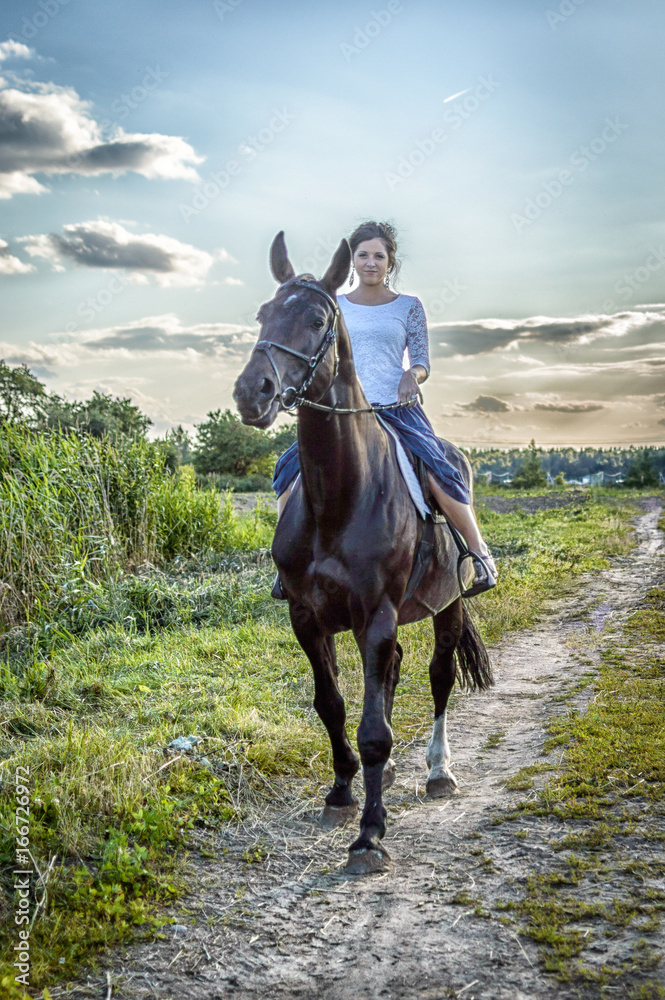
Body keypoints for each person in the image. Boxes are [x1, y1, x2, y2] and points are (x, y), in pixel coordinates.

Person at [271, 220, 497, 598]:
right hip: (343, 414)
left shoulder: (409, 307)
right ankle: (286, 565)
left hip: (396, 408)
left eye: (379, 256)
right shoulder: (334, 305)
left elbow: (422, 360)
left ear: (390, 262)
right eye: (363, 255)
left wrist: (414, 374)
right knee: (287, 469)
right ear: (352, 262)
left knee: (440, 466)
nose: (370, 262)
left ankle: (478, 553)